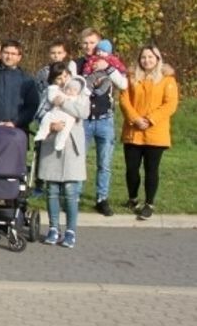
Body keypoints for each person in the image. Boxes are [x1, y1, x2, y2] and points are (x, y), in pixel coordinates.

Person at [119, 45, 179, 221]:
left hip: (156, 132)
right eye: (144, 57)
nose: (147, 60)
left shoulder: (167, 80)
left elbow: (170, 104)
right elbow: (124, 100)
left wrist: (150, 119)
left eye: (150, 57)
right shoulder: (130, 78)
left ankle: (149, 203)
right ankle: (132, 199)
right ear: (139, 60)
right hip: (133, 131)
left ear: (158, 59)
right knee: (131, 169)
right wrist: (135, 118)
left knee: (151, 169)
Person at [35, 62, 90, 248]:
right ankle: (53, 228)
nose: (63, 80)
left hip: (72, 147)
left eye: (65, 76)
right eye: (58, 78)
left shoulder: (81, 92)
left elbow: (83, 112)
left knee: (70, 190)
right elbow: (40, 114)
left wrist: (63, 102)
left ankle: (70, 231)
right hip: (52, 145)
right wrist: (51, 126)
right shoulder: (48, 93)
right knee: (52, 190)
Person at [75, 28, 128, 216]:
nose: (89, 46)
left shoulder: (110, 62)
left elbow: (123, 84)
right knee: (78, 160)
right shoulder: (77, 64)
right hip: (83, 120)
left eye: (92, 43)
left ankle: (101, 198)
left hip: (105, 120)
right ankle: (76, 197)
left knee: (104, 163)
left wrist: (107, 67)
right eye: (85, 43)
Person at [0, 39, 40, 130]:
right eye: (6, 53)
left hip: (18, 131)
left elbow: (32, 106)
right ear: (1, 54)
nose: (9, 57)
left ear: (19, 57)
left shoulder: (27, 80)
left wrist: (15, 122)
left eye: (13, 54)